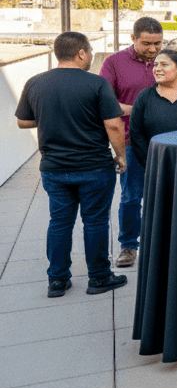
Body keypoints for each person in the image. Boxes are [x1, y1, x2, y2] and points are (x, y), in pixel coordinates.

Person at [15, 32, 129, 297]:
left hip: (54, 169)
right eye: (89, 52)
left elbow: (22, 121)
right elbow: (113, 123)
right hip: (94, 167)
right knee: (96, 222)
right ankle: (99, 278)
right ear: (81, 53)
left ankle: (57, 280)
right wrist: (120, 156)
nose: (89, 56)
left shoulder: (35, 83)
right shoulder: (96, 84)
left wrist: (49, 118)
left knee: (59, 222)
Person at [100, 16, 163, 269]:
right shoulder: (114, 63)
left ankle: (164, 242)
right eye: (146, 43)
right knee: (131, 196)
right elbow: (103, 103)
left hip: (165, 140)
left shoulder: (166, 59)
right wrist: (139, 109)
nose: (153, 49)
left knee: (166, 195)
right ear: (133, 38)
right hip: (129, 141)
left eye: (158, 43)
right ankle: (128, 246)